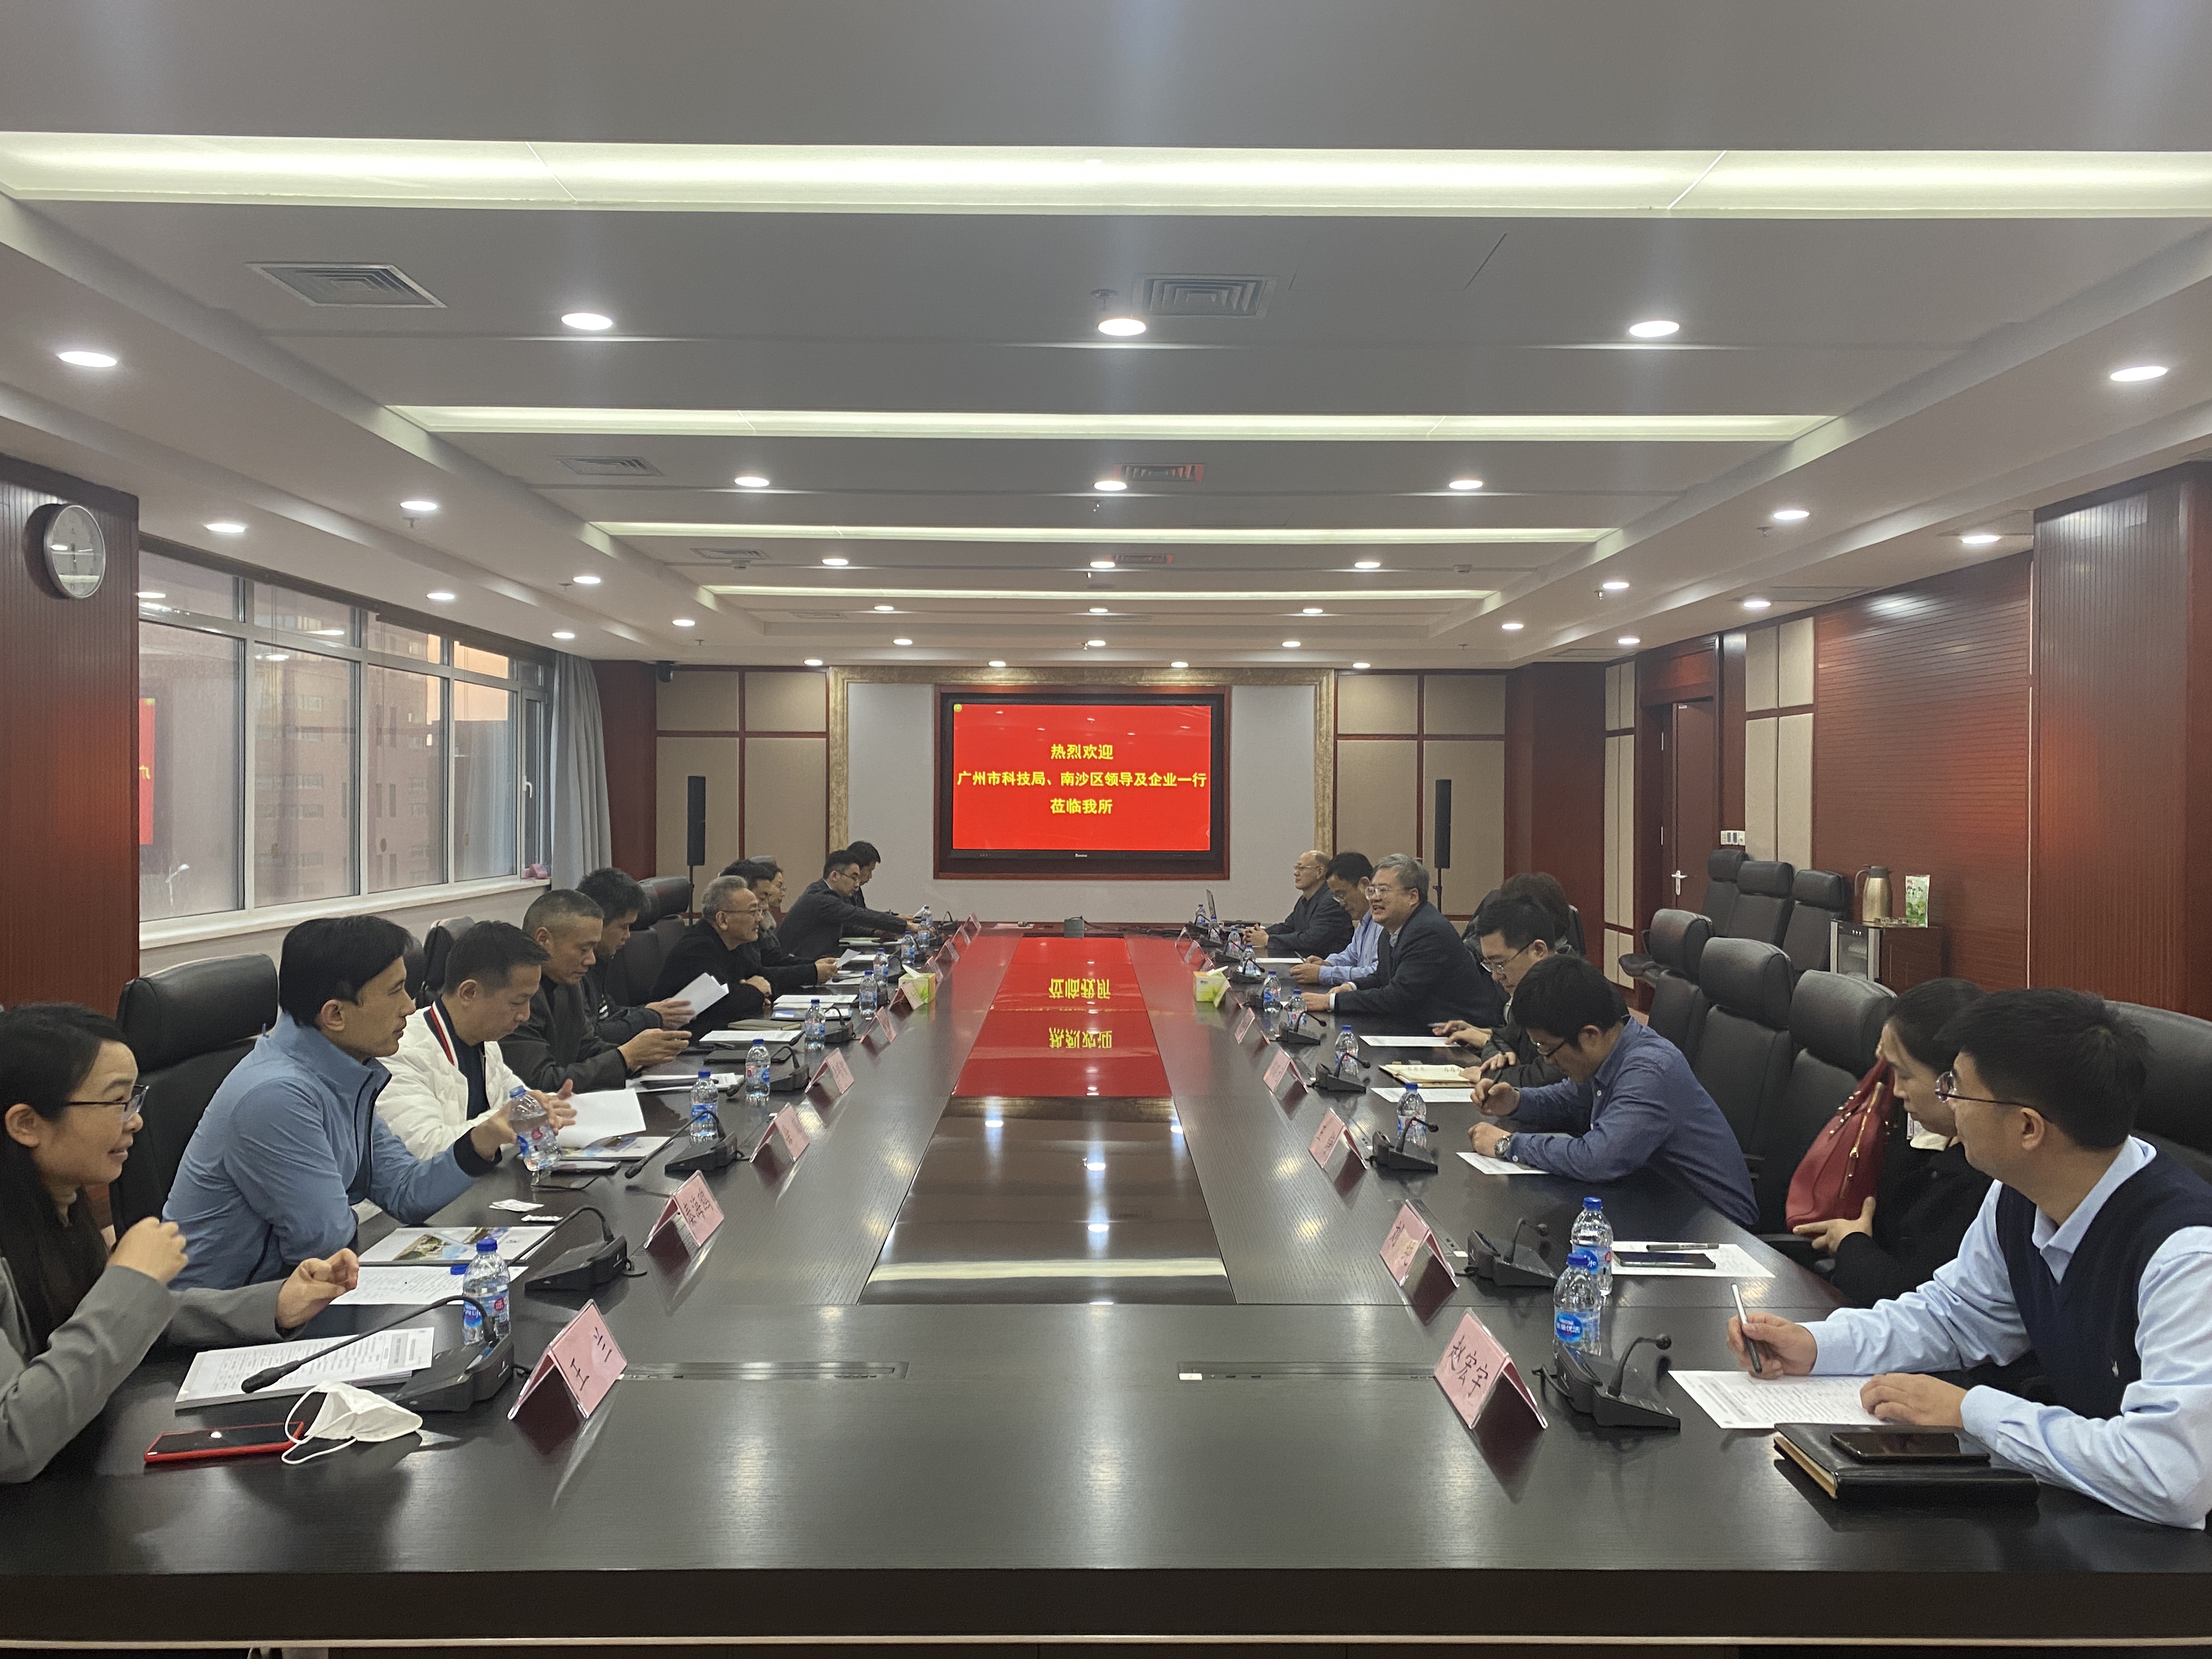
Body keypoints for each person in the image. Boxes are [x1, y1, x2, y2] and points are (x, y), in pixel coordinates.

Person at [1729, 989, 2212, 1529]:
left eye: (1957, 1088)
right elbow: (1955, 1316)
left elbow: (2172, 1477)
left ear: (2027, 1128)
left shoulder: (2187, 1256)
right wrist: (1818, 1346)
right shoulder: (2018, 1195)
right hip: (2096, 1511)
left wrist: (1972, 1411)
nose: (1948, 1102)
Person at [0, 1005, 360, 1482]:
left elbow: (120, 1321)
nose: (135, 1122)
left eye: (134, 1099)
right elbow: (12, 1442)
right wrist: (128, 1281)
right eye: (116, 1103)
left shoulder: (58, 1207)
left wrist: (274, 1305)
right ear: (26, 1124)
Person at [165, 916, 520, 1290]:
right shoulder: (276, 1096)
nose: (409, 1007)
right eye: (396, 992)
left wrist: (482, 1140)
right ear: (335, 1014)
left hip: (287, 1291)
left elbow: (405, 1191)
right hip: (222, 1310)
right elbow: (326, 1242)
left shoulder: (342, 1071)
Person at [1468, 953, 1757, 1227]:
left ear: (1590, 1035)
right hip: (1655, 1203)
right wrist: (1517, 1101)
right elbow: (1568, 1099)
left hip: (1715, 1228)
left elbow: (1596, 1159)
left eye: (1547, 1048)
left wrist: (1507, 1145)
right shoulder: (1613, 1050)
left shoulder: (1649, 1070)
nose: (1547, 1060)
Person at [1792, 977, 1991, 1305]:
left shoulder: (1980, 1180)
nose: (1896, 1090)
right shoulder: (1922, 1135)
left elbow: (1909, 1297)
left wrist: (1852, 1244)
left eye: (1905, 1075)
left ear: (1955, 1082)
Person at [377, 921, 580, 1159]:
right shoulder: (400, 1052)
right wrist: (510, 1121)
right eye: (517, 1002)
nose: (525, 1015)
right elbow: (426, 1150)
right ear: (469, 993)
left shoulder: (486, 1042)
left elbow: (520, 1102)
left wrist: (548, 1106)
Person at [501, 890, 691, 1093]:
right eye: (584, 949)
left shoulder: (569, 983)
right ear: (543, 940)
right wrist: (625, 1057)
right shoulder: (514, 995)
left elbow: (587, 1047)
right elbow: (539, 1082)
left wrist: (641, 1057)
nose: (592, 960)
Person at [1301, 854, 1490, 1031]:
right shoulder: (1391, 928)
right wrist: (1352, 987)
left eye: (1383, 891)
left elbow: (1399, 996)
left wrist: (1331, 1002)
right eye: (1372, 891)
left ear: (1412, 897)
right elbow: (1382, 976)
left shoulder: (1428, 931)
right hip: (1418, 1026)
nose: (1374, 898)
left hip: (1456, 1035)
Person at [651, 877, 837, 1039]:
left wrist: (754, 989)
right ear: (723, 920)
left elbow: (762, 976)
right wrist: (755, 991)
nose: (760, 919)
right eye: (752, 912)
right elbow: (721, 1004)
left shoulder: (733, 943)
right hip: (681, 1046)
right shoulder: (698, 948)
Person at [1442, 893, 1571, 1091]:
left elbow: (1547, 1078)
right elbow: (1499, 1039)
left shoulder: (1571, 992)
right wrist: (1499, 1058)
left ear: (1538, 950)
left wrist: (1490, 1075)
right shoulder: (1532, 990)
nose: (1496, 976)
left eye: (1500, 964)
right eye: (1490, 965)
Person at [576, 867, 696, 1045]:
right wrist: (650, 1017)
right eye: (623, 927)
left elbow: (608, 1012)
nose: (628, 936)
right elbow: (592, 1035)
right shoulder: (573, 971)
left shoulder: (599, 961)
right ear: (597, 922)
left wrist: (651, 1011)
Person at [780, 850, 912, 962]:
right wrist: (906, 925)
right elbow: (860, 915)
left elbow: (848, 926)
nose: (857, 884)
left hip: (818, 962)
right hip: (796, 966)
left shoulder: (828, 893)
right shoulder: (821, 898)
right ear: (835, 876)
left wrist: (876, 931)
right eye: (854, 878)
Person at [1290, 853, 1380, 988]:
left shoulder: (1384, 924)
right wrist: (1328, 963)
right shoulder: (1364, 922)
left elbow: (1377, 973)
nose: (1342, 903)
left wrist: (1323, 973)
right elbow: (1351, 955)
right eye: (1337, 897)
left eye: (1342, 895)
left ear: (1364, 885)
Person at [1242, 850, 1353, 958]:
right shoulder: (1304, 899)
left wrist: (1268, 940)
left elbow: (1312, 939)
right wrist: (1257, 934)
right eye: (1296, 868)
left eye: (1301, 868)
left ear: (1319, 872)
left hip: (1324, 963)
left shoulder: (1331, 901)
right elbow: (1287, 927)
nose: (1296, 873)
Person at [847, 839, 883, 909]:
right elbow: (856, 914)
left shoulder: (856, 889)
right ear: (857, 867)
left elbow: (864, 912)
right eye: (870, 870)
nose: (870, 876)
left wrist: (891, 915)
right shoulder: (841, 891)